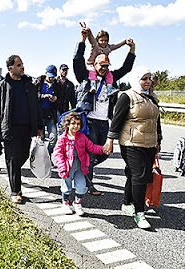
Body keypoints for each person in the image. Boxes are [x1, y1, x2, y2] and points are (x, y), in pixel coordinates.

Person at [74, 26, 135, 195]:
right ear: (95, 64)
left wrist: (132, 50)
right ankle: (88, 185)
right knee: (91, 154)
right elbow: (77, 59)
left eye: (107, 65)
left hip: (104, 122)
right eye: (101, 65)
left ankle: (83, 167)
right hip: (91, 121)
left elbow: (126, 69)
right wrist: (82, 40)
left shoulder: (110, 79)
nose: (104, 68)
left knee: (105, 153)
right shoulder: (86, 77)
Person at [104, 67, 162, 229]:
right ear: (137, 80)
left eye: (150, 78)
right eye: (144, 79)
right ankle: (139, 212)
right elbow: (116, 120)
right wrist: (110, 140)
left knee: (133, 174)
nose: (148, 82)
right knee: (140, 176)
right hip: (131, 144)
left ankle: (126, 202)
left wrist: (159, 140)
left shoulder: (152, 97)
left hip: (149, 143)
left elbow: (156, 121)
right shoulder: (127, 96)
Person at [0, 55, 42, 204]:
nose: (22, 67)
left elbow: (36, 107)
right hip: (10, 129)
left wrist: (40, 126)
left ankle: (15, 175)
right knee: (12, 159)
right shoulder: (2, 86)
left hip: (26, 128)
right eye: (18, 65)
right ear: (10, 69)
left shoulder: (29, 84)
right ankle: (15, 190)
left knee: (23, 156)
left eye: (22, 64)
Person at [54, 112, 108, 215]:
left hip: (80, 167)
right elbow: (58, 154)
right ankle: (65, 204)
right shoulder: (63, 138)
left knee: (82, 187)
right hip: (67, 168)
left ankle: (77, 204)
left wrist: (103, 149)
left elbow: (91, 147)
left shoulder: (82, 137)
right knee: (66, 188)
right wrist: (62, 167)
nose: (76, 126)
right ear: (67, 124)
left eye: (78, 124)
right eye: (73, 123)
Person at [81, 23, 127, 95]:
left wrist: (125, 41)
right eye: (101, 40)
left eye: (106, 40)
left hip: (102, 65)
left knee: (109, 75)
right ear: (98, 40)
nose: (104, 42)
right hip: (91, 64)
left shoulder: (108, 48)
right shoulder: (95, 45)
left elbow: (117, 45)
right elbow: (91, 39)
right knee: (92, 72)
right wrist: (88, 31)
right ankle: (93, 85)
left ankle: (109, 88)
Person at [34, 65, 63, 155]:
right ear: (46, 73)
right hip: (40, 115)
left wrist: (55, 99)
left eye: (53, 77)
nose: (51, 78)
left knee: (54, 137)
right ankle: (41, 158)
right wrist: (42, 96)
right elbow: (33, 96)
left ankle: (48, 154)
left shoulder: (57, 86)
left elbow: (60, 101)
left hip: (51, 115)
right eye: (50, 76)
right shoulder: (38, 82)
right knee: (40, 138)